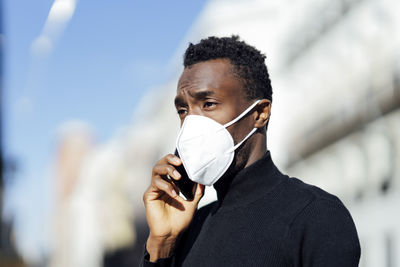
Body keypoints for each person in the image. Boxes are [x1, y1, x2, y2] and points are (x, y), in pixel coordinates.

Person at [141, 36, 361, 266]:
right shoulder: (188, 227)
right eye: (183, 110)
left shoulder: (316, 215)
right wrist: (161, 243)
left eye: (208, 104)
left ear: (260, 113)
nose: (191, 124)